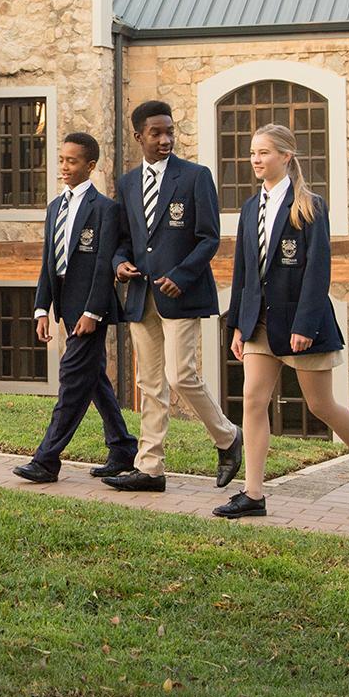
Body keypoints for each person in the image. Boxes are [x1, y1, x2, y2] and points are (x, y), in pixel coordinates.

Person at [215, 123, 349, 519]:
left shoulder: (310, 206)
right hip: (259, 322)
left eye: (264, 153)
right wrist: (238, 326)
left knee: (321, 405)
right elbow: (243, 272)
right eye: (252, 153)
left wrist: (304, 326)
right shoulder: (248, 208)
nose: (256, 160)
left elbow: (317, 271)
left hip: (301, 324)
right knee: (253, 401)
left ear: (285, 157)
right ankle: (253, 494)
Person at [102, 100, 242, 493]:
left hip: (181, 293)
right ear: (138, 137)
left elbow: (209, 238)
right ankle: (150, 468)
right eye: (156, 133)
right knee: (150, 384)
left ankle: (228, 437)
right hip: (140, 295)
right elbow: (124, 240)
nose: (165, 139)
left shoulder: (196, 177)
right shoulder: (128, 183)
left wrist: (181, 276)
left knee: (181, 375)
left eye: (170, 132)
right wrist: (119, 264)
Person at [13, 132, 138, 484]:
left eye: (72, 161)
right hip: (65, 304)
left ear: (91, 166)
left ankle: (47, 460)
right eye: (62, 160)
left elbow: (102, 264)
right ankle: (123, 447)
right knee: (94, 379)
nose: (64, 167)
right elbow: (48, 262)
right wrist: (41, 309)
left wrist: (92, 312)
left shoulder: (106, 209)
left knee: (71, 378)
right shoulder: (55, 207)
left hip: (90, 308)